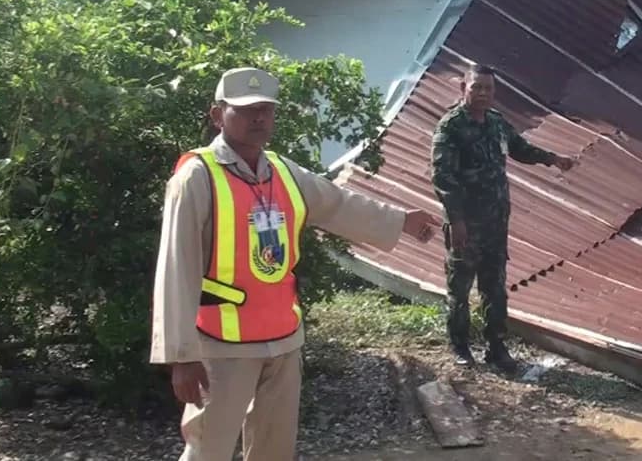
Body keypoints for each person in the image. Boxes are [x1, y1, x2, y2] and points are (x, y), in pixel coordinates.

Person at [151, 67, 439, 461]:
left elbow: (338, 205)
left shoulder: (283, 172)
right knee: (208, 448)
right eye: (246, 109)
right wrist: (180, 356)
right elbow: (175, 269)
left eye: (266, 110)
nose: (258, 118)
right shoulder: (197, 177)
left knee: (274, 448)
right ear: (218, 115)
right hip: (222, 346)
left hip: (283, 338)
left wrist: (401, 220)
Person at [430, 64, 576, 371]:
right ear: (463, 88)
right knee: (460, 288)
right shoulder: (450, 128)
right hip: (466, 226)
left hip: (495, 224)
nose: (483, 93)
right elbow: (443, 178)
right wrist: (456, 221)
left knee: (494, 287)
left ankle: (496, 348)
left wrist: (552, 159)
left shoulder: (496, 123)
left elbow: (519, 149)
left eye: (488, 89)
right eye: (477, 87)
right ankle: (461, 348)